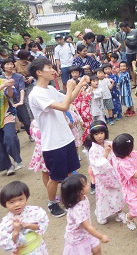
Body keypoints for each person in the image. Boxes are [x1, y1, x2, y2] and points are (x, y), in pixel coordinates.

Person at [28, 58, 90, 218]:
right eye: (49, 67)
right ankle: (52, 202)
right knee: (55, 177)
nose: (53, 70)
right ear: (39, 72)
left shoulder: (49, 88)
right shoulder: (36, 94)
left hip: (66, 138)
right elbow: (63, 106)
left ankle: (70, 197)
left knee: (70, 172)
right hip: (53, 143)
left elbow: (67, 102)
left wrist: (80, 85)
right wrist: (69, 87)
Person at [87, 121, 126, 226]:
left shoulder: (110, 143)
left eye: (101, 133)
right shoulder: (93, 150)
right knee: (104, 196)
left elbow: (118, 156)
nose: (99, 136)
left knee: (117, 193)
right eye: (96, 134)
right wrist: (106, 154)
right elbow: (97, 165)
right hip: (102, 177)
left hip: (114, 174)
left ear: (105, 132)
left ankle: (119, 212)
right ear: (92, 135)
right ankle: (101, 214)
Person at [61, 174, 110, 254]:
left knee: (96, 248)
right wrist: (101, 237)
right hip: (78, 239)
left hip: (85, 233)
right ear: (79, 192)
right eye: (85, 184)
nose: (88, 184)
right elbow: (87, 227)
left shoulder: (83, 197)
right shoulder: (77, 210)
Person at [0, 181, 49, 254]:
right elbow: (5, 244)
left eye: (20, 199)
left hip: (40, 248)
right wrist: (16, 231)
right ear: (5, 204)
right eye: (11, 202)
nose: (17, 204)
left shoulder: (35, 211)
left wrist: (27, 225)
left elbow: (43, 224)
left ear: (26, 197)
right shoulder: (5, 223)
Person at [1, 58, 32, 141]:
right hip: (6, 105)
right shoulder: (1, 78)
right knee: (10, 125)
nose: (10, 66)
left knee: (26, 121)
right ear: (3, 66)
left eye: (11, 64)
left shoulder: (18, 76)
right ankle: (14, 142)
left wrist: (21, 101)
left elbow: (22, 89)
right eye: (7, 64)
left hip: (18, 101)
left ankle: (30, 134)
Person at [0, 76, 22, 177]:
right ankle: (8, 166)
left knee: (9, 138)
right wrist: (4, 85)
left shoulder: (3, 81)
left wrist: (8, 87)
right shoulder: (3, 83)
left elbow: (12, 95)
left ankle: (17, 159)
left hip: (7, 114)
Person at [118, 22, 137, 87]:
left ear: (127, 27)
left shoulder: (135, 31)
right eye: (122, 29)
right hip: (129, 53)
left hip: (136, 51)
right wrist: (126, 49)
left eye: (123, 29)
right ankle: (134, 83)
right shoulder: (123, 34)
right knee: (131, 68)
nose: (123, 30)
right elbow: (124, 42)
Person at [28, 120, 50, 188]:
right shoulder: (34, 123)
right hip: (43, 149)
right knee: (45, 171)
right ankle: (50, 191)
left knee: (47, 171)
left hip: (46, 148)